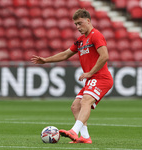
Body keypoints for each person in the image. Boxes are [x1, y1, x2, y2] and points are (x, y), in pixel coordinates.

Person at [31, 9, 113, 144]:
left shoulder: (96, 35)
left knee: (85, 101)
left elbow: (105, 56)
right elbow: (65, 54)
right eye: (76, 24)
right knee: (75, 106)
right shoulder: (80, 40)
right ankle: (85, 137)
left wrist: (90, 72)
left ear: (88, 20)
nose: (78, 27)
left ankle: (74, 131)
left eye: (80, 23)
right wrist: (46, 60)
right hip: (92, 79)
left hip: (101, 78)